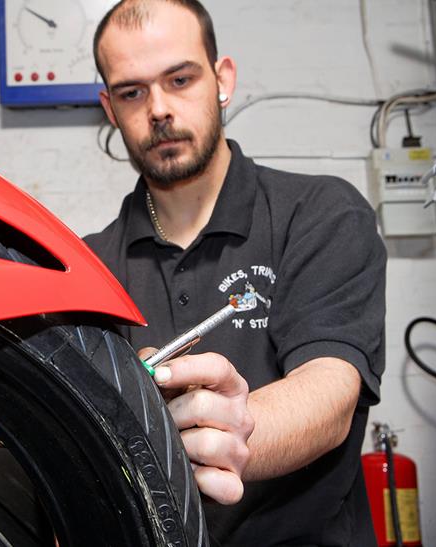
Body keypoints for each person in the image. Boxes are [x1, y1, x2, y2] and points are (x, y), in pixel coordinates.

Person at [84, 1, 387, 545]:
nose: (158, 109)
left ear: (222, 79)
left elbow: (330, 392)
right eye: (132, 92)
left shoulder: (321, 213)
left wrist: (234, 427)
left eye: (180, 79)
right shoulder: (85, 267)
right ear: (110, 107)